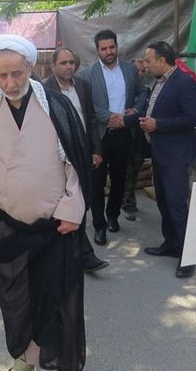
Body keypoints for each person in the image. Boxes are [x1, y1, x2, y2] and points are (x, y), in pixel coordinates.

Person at [0, 34, 89, 371]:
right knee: (17, 298)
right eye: (2, 75)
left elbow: (75, 163)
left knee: (57, 298)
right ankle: (24, 358)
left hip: (56, 226)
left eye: (16, 73)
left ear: (30, 68)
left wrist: (73, 210)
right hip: (9, 226)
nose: (10, 83)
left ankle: (54, 361)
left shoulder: (57, 107)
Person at [133, 41, 196, 278]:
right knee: (163, 201)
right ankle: (171, 244)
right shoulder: (160, 81)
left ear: (162, 61)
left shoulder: (185, 83)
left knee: (177, 204)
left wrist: (157, 124)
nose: (146, 65)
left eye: (149, 60)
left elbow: (192, 118)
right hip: (161, 153)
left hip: (176, 156)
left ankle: (188, 255)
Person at [77, 30, 148, 246]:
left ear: (117, 46)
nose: (109, 52)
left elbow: (142, 92)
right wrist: (109, 117)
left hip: (124, 133)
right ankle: (99, 225)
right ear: (97, 50)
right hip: (99, 135)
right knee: (97, 182)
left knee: (119, 178)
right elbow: (87, 105)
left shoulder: (129, 69)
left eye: (112, 47)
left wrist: (135, 110)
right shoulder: (87, 74)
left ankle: (112, 216)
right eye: (104, 48)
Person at [43, 47, 109, 273]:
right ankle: (83, 256)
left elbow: (91, 120)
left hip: (83, 152)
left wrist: (96, 149)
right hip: (58, 155)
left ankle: (77, 253)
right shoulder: (44, 90)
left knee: (80, 200)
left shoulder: (83, 86)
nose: (69, 66)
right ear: (53, 66)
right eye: (63, 63)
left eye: (71, 62)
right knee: (64, 203)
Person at [123, 58, 154, 221]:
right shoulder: (124, 90)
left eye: (143, 71)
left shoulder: (148, 90)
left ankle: (129, 201)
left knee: (134, 170)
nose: (141, 74)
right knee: (125, 171)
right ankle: (128, 203)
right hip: (125, 136)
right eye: (137, 71)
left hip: (140, 138)